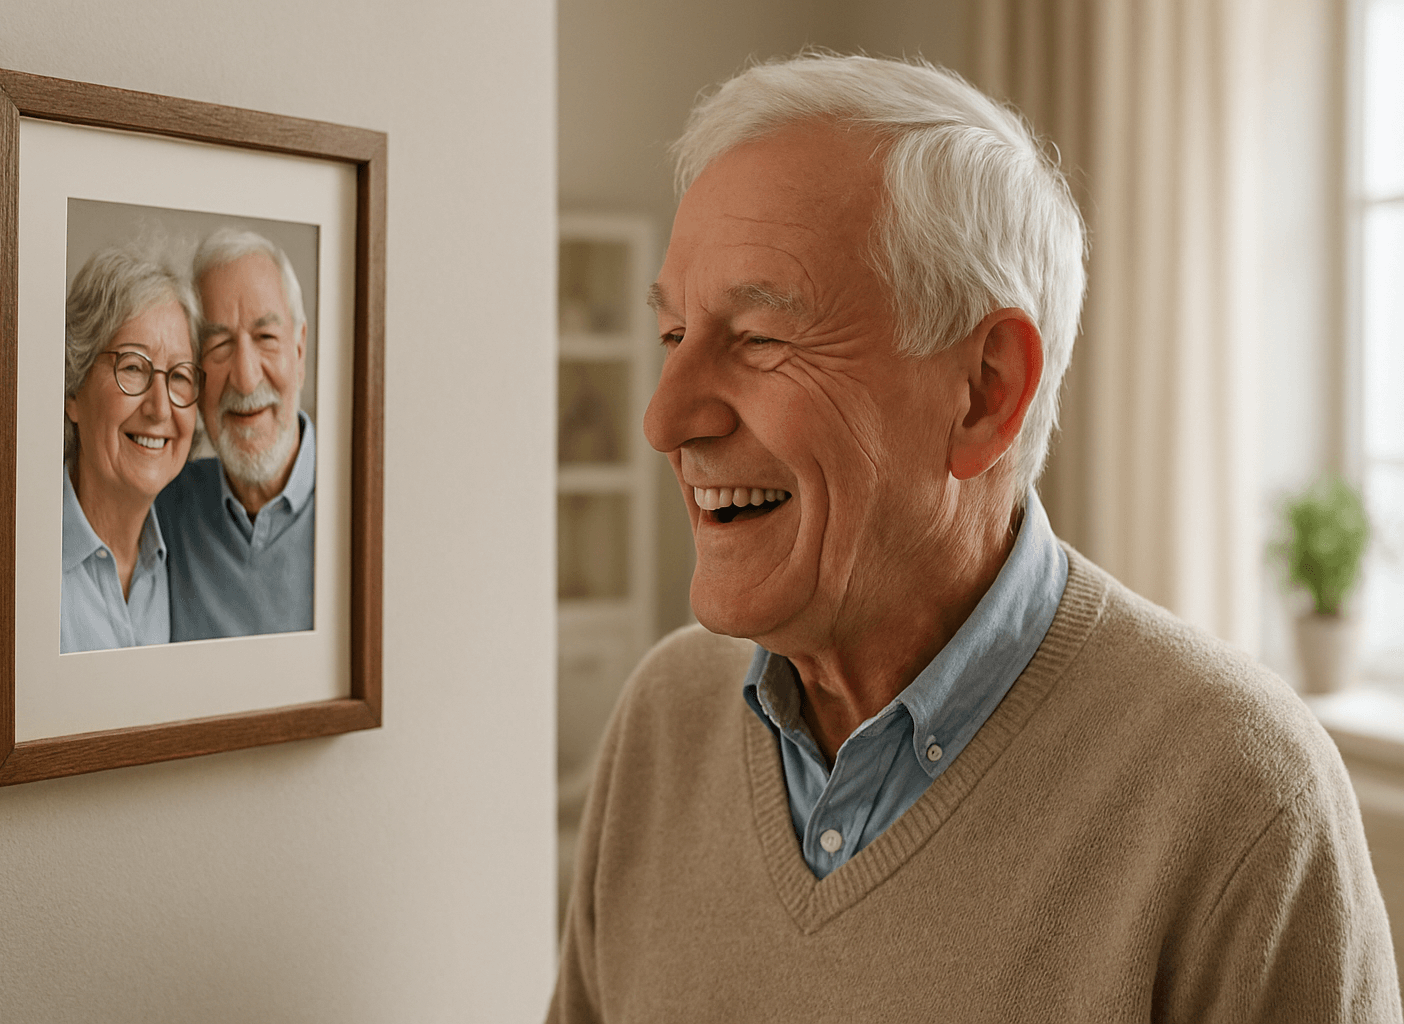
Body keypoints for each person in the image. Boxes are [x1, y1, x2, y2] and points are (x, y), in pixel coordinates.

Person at [549, 54, 1401, 1022]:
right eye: (673, 337)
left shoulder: (1245, 801)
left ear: (985, 392)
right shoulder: (664, 721)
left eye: (758, 339)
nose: (666, 419)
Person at [155, 228, 315, 640]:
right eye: (220, 345)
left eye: (266, 338)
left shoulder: (366, 505)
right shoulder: (162, 509)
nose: (245, 380)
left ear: (299, 353)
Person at [61, 247, 202, 654]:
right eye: (134, 367)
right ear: (74, 389)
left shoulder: (187, 555)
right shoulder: (19, 560)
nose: (160, 409)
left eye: (179, 376)